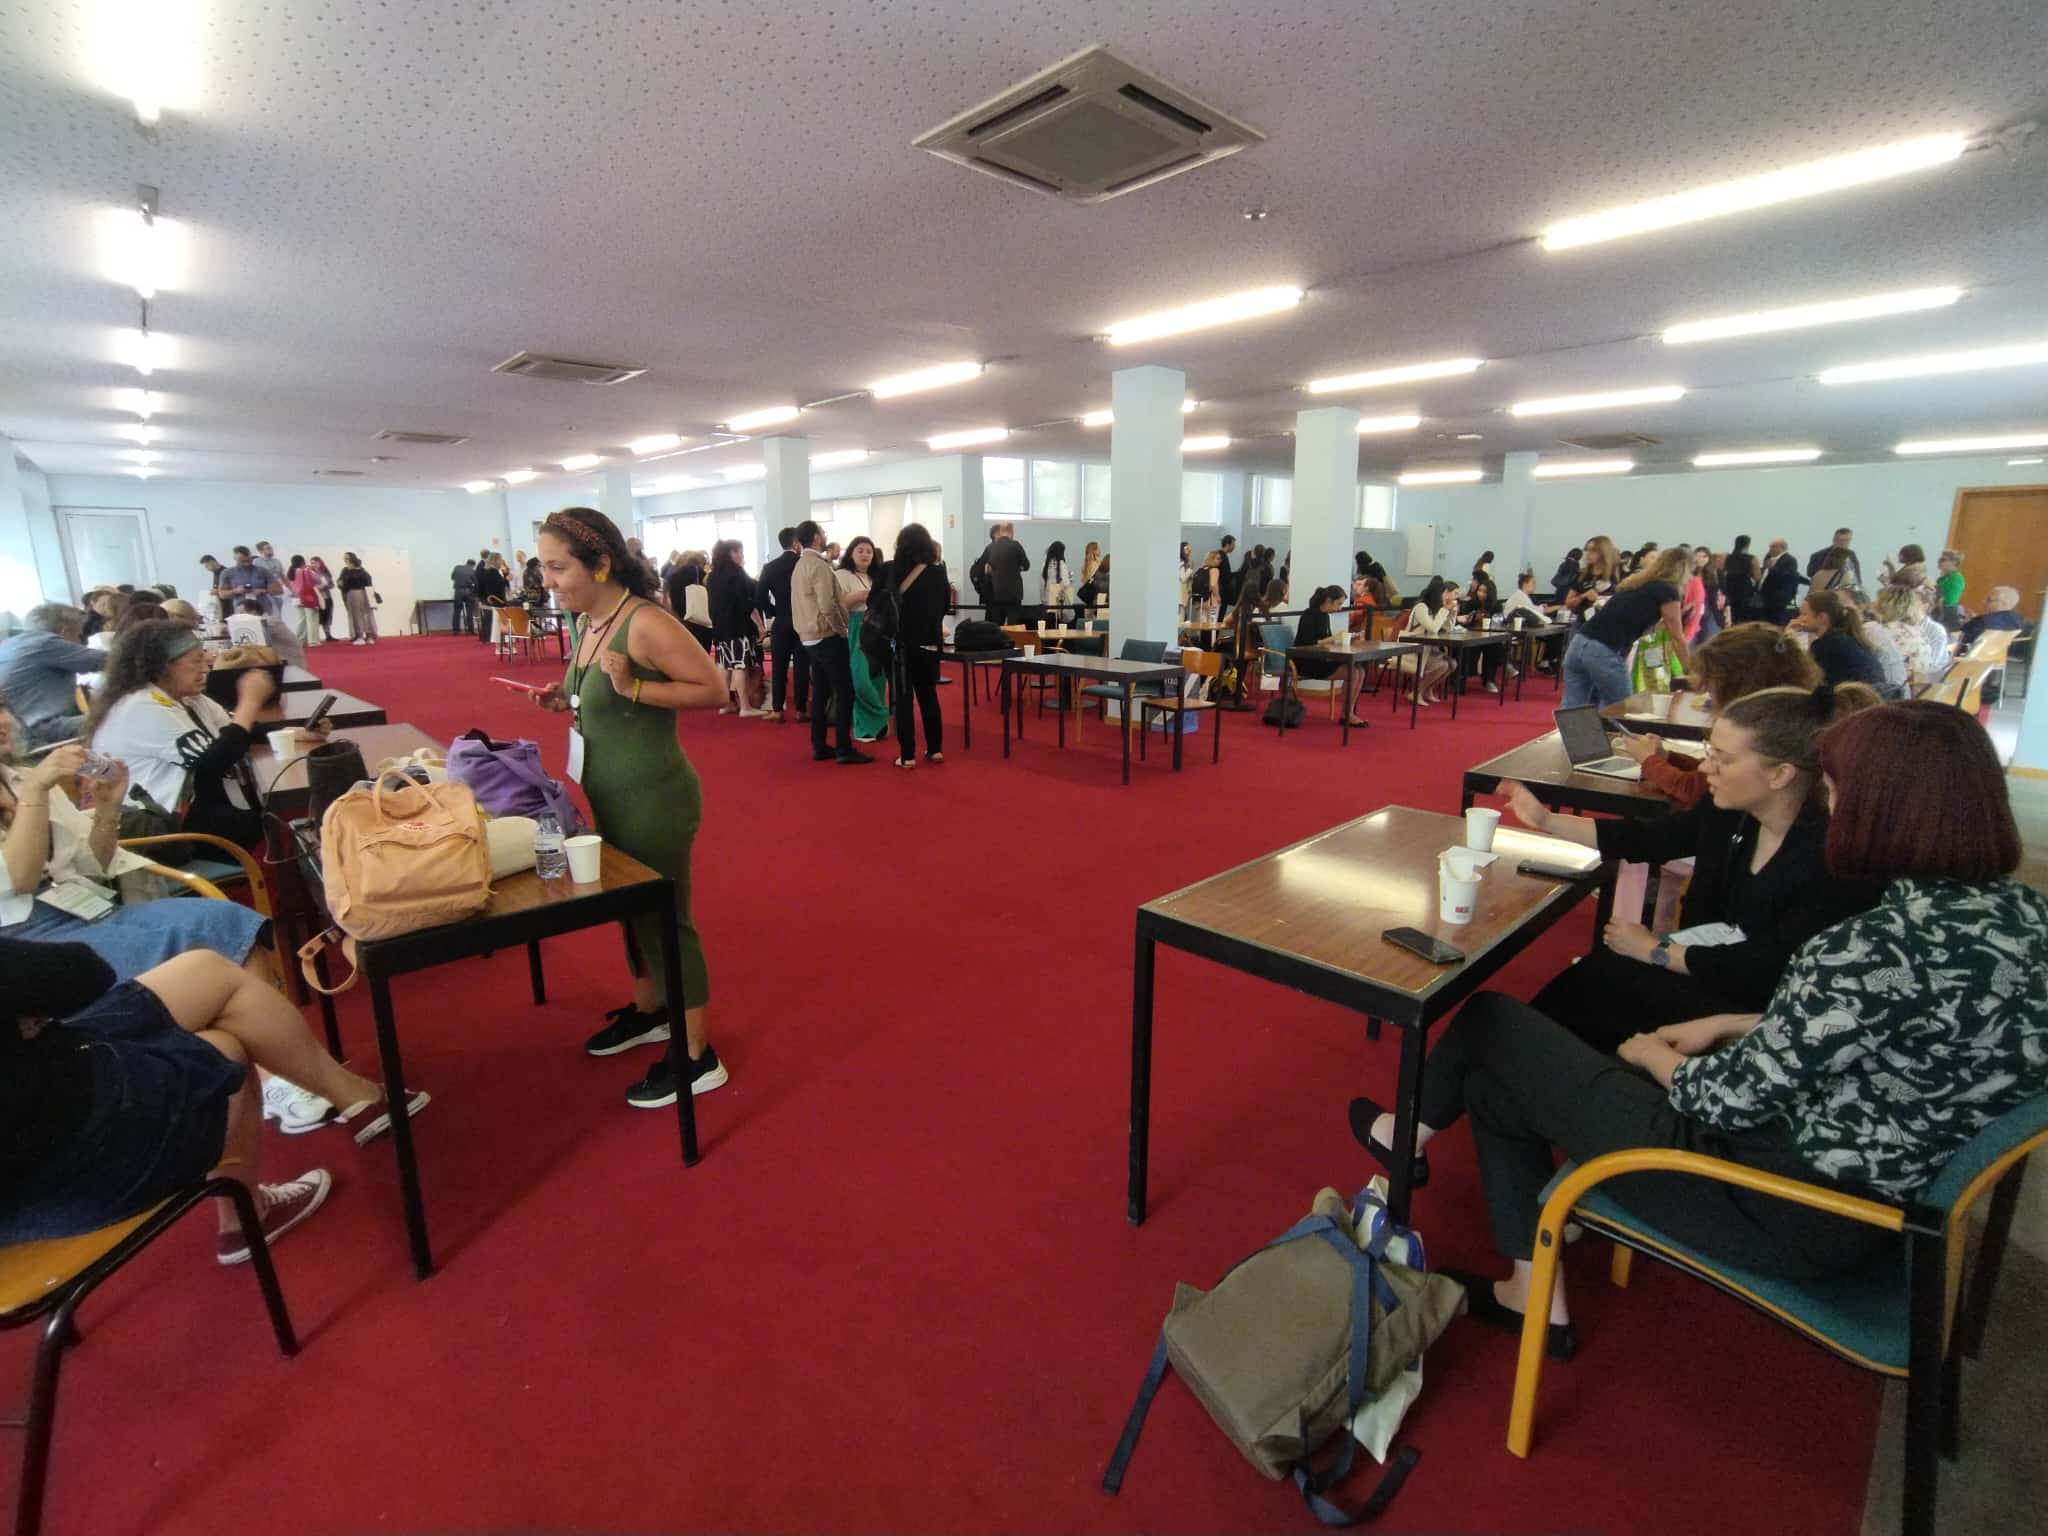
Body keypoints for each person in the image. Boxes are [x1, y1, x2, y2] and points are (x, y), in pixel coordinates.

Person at [1395, 701, 2047, 1352]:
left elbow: (1720, 1100)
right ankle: (1530, 1290)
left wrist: (1651, 1055)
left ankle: (1404, 1141)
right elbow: (1888, 1030)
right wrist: (1739, 1023)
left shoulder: (1871, 947)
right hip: (1883, 1191)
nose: (1830, 804)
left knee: (1492, 1021)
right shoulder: (2023, 917)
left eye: (1837, 791)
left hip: (1781, 1199)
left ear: (1882, 812)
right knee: (1503, 1075)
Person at [0, 938, 435, 1259]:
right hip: (58, 1161)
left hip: (50, 1072)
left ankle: (357, 1098)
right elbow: (85, 973)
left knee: (208, 971)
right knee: (223, 1051)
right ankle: (245, 1216)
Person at [529, 507, 730, 1108]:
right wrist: (561, 697)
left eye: (558, 567)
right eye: (543, 567)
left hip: (655, 797)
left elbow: (714, 689)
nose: (547, 580)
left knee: (666, 918)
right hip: (609, 794)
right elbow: (590, 692)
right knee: (629, 910)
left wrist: (635, 688)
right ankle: (652, 1010)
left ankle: (697, 1056)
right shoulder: (588, 620)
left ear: (600, 564)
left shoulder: (644, 622)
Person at [88, 620, 315, 848]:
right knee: (275, 825)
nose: (206, 668)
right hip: (161, 823)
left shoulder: (187, 697)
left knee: (273, 818)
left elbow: (231, 730)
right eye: (196, 661)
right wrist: (249, 702)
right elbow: (212, 761)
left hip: (194, 805)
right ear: (163, 667)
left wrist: (290, 733)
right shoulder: (140, 706)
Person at [1608, 622, 1823, 808]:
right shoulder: (1788, 720)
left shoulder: (1760, 732)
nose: (1708, 696)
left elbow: (1692, 790)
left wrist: (1649, 760)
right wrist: (1669, 758)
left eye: (1711, 687)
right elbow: (1704, 776)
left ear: (1736, 685)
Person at [1562, 547, 1691, 709]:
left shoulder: (1635, 583)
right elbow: (1677, 636)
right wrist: (1689, 670)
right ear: (1683, 569)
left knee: (1573, 707)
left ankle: (1574, 727)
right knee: (1621, 708)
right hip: (1604, 649)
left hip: (1579, 642)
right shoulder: (1668, 591)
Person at [791, 519, 868, 764]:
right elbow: (827, 605)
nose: (825, 536)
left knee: (821, 692)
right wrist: (842, 629)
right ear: (816, 537)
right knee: (845, 691)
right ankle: (844, 748)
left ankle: (819, 744)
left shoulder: (800, 564)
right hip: (826, 635)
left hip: (808, 637)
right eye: (822, 532)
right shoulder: (819, 565)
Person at [888, 522, 949, 770]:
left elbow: (876, 602)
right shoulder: (938, 572)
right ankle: (935, 749)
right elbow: (945, 605)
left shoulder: (892, 570)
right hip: (929, 642)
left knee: (903, 701)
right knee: (929, 696)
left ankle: (907, 755)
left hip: (902, 643)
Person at [0, 604, 100, 748]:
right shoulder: (46, 643)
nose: (80, 642)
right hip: (42, 730)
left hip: (20, 731)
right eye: (79, 635)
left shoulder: (10, 644)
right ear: (65, 630)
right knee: (116, 717)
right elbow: (108, 661)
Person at [1291, 587, 1372, 728]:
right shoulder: (1309, 615)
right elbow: (1310, 643)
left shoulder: (1324, 616)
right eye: (1338, 604)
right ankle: (1347, 714)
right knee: (1353, 672)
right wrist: (1335, 638)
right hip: (1305, 661)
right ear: (1328, 601)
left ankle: (1348, 712)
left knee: (1360, 671)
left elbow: (1324, 641)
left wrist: (1346, 639)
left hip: (1319, 658)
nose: (1340, 608)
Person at [839, 537, 892, 743]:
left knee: (878, 677)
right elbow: (836, 604)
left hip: (877, 628)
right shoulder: (841, 575)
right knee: (860, 679)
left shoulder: (877, 576)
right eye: (860, 550)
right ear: (851, 553)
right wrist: (860, 596)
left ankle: (875, 726)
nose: (865, 555)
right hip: (854, 627)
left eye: (869, 551)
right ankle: (879, 717)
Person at [706, 541, 766, 718]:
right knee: (740, 666)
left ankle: (725, 703)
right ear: (731, 553)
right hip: (738, 627)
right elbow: (747, 603)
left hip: (720, 627)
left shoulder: (713, 576)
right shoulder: (737, 574)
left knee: (725, 666)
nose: (742, 555)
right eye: (740, 552)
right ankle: (745, 706)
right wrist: (760, 625)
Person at [756, 528, 809, 723]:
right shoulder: (804, 564)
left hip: (782, 621)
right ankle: (801, 710)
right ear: (796, 543)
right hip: (804, 621)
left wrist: (774, 611)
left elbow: (759, 596)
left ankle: (777, 710)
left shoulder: (770, 567)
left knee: (779, 667)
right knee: (802, 667)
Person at [1791, 590, 1887, 691]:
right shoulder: (1847, 638)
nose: (1799, 618)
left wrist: (1789, 635)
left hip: (1854, 698)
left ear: (1822, 617)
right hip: (1873, 696)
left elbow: (1805, 681)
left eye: (1804, 614)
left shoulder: (1827, 644)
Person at [1873, 579, 1947, 690]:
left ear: (1884, 606)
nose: (1874, 604)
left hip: (1905, 693)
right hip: (1926, 690)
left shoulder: (1886, 632)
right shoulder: (1917, 630)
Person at [1399, 577, 1459, 705]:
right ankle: (1416, 692)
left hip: (1427, 649)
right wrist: (1445, 609)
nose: (1447, 596)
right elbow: (1433, 628)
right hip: (1413, 648)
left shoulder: (1435, 608)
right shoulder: (1421, 607)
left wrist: (1452, 613)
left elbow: (1447, 629)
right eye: (1445, 593)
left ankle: (1427, 690)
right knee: (1443, 665)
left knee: (1452, 664)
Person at [976, 524, 1027, 627]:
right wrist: (1017, 568)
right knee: (1014, 627)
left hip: (996, 593)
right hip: (1014, 595)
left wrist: (989, 572)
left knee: (997, 626)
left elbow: (979, 568)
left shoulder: (990, 547)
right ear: (1011, 531)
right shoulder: (1016, 545)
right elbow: (1026, 565)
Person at [216, 546, 283, 618]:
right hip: (242, 612)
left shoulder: (262, 571)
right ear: (235, 558)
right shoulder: (227, 573)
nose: (247, 563)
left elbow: (279, 590)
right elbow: (222, 594)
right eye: (243, 561)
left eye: (248, 560)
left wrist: (263, 591)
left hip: (264, 610)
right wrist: (235, 591)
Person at [1959, 585, 2029, 651]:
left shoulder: (1982, 621)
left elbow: (1959, 640)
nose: (1984, 601)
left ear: (2003, 603)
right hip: (1999, 657)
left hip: (1971, 656)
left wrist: (1966, 623)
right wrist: (1975, 620)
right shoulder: (2020, 621)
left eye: (1989, 599)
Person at [1758, 537, 1807, 625]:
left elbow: (1786, 577)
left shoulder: (1790, 560)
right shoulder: (1768, 558)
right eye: (1770, 547)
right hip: (1765, 597)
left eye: (1773, 547)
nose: (1770, 549)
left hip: (1778, 598)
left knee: (1775, 622)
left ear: (1782, 548)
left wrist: (1772, 569)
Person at [335, 552, 378, 644]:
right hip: (352, 594)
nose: (345, 560)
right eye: (344, 558)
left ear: (352, 559)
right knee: (355, 615)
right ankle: (359, 636)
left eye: (347, 558)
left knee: (366, 615)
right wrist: (340, 583)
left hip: (364, 593)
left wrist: (372, 595)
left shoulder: (362, 570)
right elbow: (340, 582)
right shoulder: (345, 570)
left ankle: (369, 636)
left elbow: (368, 582)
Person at [1806, 527, 1863, 593]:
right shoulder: (1818, 555)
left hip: (1849, 592)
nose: (1843, 543)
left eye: (1847, 540)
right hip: (1825, 593)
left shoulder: (1851, 554)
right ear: (1834, 540)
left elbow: (1857, 576)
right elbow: (1810, 573)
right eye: (1840, 540)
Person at [283, 556, 322, 648]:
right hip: (308, 597)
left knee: (301, 620)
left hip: (296, 599)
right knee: (312, 619)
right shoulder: (306, 571)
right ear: (303, 562)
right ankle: (313, 641)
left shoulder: (290, 573)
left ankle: (300, 640)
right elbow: (318, 580)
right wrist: (313, 571)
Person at [1722, 535, 1761, 623]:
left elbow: (1723, 571)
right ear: (1748, 545)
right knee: (1743, 615)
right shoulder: (1752, 558)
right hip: (1744, 589)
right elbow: (1757, 576)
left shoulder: (1727, 557)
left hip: (1729, 586)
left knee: (1731, 613)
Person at [1041, 541, 1076, 627]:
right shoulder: (1062, 564)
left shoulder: (1044, 565)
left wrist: (1043, 599)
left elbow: (1042, 584)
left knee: (1050, 626)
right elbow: (1066, 583)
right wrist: (1070, 579)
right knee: (1060, 626)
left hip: (1048, 602)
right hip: (1059, 602)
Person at [1680, 547, 1708, 643]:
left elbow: (1695, 614)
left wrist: (1686, 638)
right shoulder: (1667, 582)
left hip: (1684, 632)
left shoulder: (1695, 582)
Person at [307, 556, 336, 641]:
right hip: (316, 597)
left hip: (327, 596)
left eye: (315, 563)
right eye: (311, 563)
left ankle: (328, 635)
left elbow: (332, 585)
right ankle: (315, 636)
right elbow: (308, 585)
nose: (313, 565)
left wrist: (326, 586)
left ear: (320, 563)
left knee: (327, 616)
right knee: (317, 617)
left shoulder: (325, 573)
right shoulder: (309, 573)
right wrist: (317, 587)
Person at [1935, 550, 1966, 628]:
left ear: (1954, 562)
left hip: (1946, 615)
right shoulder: (1943, 578)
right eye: (1940, 559)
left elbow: (1949, 601)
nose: (1939, 561)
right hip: (1938, 611)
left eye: (1943, 560)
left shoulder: (1957, 579)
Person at [450, 555, 478, 637]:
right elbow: (476, 583)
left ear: (466, 563)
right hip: (469, 591)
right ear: (473, 565)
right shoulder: (473, 571)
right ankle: (470, 630)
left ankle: (456, 630)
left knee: (457, 611)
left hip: (458, 591)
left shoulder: (457, 568)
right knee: (469, 612)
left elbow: (452, 577)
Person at [1177, 542, 1193, 620]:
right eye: (1186, 549)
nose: (1189, 550)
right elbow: (1183, 578)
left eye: (1189, 548)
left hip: (1183, 594)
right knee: (1180, 620)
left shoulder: (1185, 562)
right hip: (1179, 595)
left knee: (1182, 618)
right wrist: (1190, 568)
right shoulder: (1180, 562)